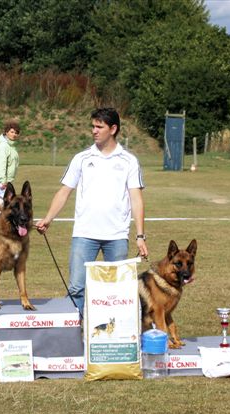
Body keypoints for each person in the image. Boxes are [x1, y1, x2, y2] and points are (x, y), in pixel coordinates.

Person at [36, 107, 148, 315]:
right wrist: (48, 218)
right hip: (84, 235)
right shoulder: (82, 158)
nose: (94, 131)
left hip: (116, 237)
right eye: (93, 126)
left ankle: (114, 337)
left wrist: (140, 236)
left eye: (99, 127)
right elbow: (64, 191)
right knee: (77, 288)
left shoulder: (129, 161)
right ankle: (74, 336)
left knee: (117, 292)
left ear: (113, 129)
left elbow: (136, 199)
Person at [0, 120, 21, 202]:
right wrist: (3, 181)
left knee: (4, 206)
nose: (14, 134)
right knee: (0, 206)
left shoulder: (11, 146)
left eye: (16, 133)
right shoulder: (3, 146)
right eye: (12, 132)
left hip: (6, 181)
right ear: (6, 132)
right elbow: (0, 164)